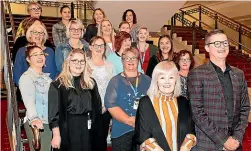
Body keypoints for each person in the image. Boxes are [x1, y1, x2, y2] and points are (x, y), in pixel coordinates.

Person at [188, 29, 250, 151]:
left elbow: (245, 107)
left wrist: (237, 137)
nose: (222, 46)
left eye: (225, 43)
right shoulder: (197, 74)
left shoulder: (238, 74)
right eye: (217, 43)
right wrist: (223, 140)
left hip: (235, 144)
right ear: (207, 47)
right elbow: (197, 112)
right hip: (209, 144)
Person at [48, 48, 103, 151]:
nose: (79, 64)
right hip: (68, 128)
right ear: (68, 62)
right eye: (75, 60)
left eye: (82, 61)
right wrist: (56, 135)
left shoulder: (91, 83)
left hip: (88, 128)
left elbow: (97, 107)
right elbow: (54, 114)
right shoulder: (58, 85)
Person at [134, 61, 196, 151]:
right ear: (156, 80)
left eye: (171, 77)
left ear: (176, 80)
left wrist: (184, 147)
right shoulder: (145, 103)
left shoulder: (184, 102)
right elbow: (143, 136)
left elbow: (191, 131)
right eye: (162, 77)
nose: (167, 82)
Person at [105, 47, 151, 151]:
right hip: (122, 130)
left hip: (144, 130)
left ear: (138, 61)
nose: (130, 61)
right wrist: (129, 120)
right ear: (122, 61)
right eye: (127, 58)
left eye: (134, 58)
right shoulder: (115, 81)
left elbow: (154, 102)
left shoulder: (148, 80)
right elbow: (110, 104)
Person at [19, 45, 52, 151]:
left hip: (48, 121)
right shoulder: (27, 77)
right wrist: (34, 118)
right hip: (38, 123)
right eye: (35, 54)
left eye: (41, 54)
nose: (39, 57)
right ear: (28, 59)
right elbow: (29, 101)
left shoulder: (47, 78)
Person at [87, 36, 116, 149]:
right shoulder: (85, 64)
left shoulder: (109, 65)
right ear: (90, 47)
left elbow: (113, 87)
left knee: (102, 139)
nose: (99, 48)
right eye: (96, 45)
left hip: (106, 108)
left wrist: (108, 105)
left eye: (102, 45)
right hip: (90, 108)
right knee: (90, 139)